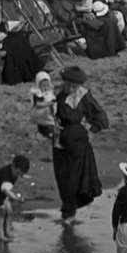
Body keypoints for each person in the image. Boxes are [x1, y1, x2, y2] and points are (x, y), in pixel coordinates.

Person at [51, 65, 109, 222]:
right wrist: (52, 124)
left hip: (79, 145)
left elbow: (101, 117)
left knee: (74, 178)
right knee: (62, 177)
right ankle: (68, 207)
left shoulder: (84, 97)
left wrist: (91, 131)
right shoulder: (56, 95)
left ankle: (70, 212)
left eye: (73, 85)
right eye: (67, 84)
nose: (70, 88)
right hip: (60, 143)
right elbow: (44, 115)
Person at [0, 154, 31, 249]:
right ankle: (0, 235)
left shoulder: (12, 172)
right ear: (13, 166)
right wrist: (15, 198)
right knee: (2, 211)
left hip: (1, 192)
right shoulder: (6, 176)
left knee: (9, 210)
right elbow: (6, 190)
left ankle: (7, 230)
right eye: (18, 173)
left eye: (21, 174)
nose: (19, 176)